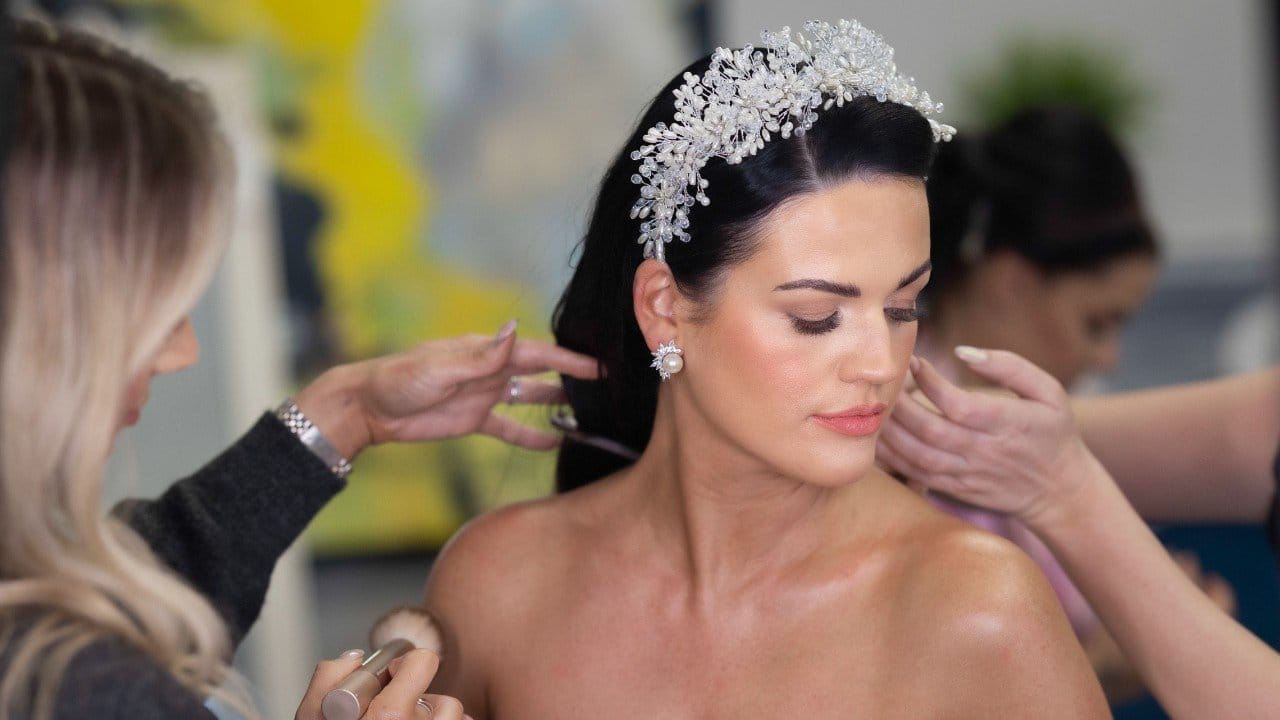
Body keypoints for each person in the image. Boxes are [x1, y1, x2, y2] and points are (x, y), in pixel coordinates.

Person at [423, 19, 1110, 719]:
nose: (880, 364)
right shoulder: (498, 587)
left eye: (905, 306)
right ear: (664, 308)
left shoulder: (980, 610)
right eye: (817, 317)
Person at [0, 19, 597, 720]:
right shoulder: (69, 684)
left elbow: (114, 591)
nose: (182, 351)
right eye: (154, 309)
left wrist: (346, 412)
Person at [915, 105, 1235, 701]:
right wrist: (1102, 668)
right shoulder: (906, 446)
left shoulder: (1027, 434)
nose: (1108, 357)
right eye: (1097, 322)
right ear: (1009, 281)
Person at [877, 347, 1280, 720]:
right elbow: (1245, 439)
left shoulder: (997, 598)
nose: (874, 362)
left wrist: (1062, 488)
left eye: (902, 311)